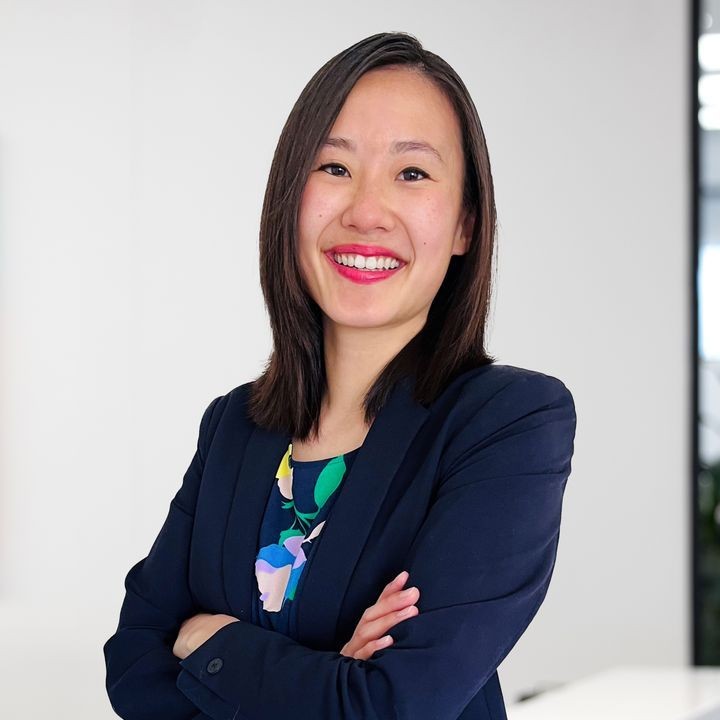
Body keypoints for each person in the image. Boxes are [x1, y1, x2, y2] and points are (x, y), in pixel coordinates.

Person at [103, 31, 577, 720]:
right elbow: (132, 666)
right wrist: (327, 679)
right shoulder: (235, 426)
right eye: (333, 167)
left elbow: (392, 706)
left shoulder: (507, 423)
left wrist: (210, 640)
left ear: (465, 225)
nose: (366, 212)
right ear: (289, 200)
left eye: (412, 174)